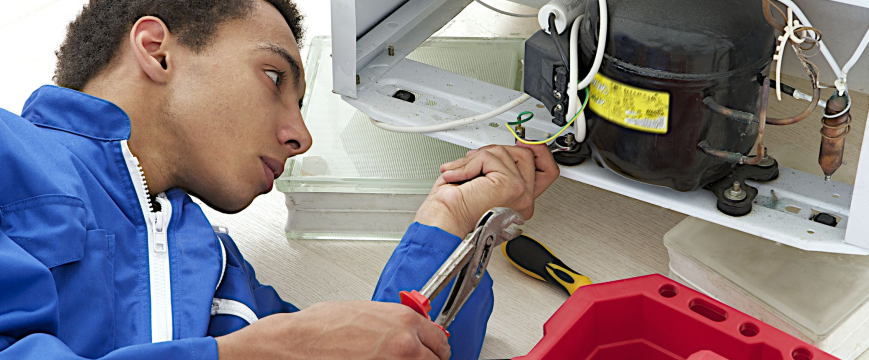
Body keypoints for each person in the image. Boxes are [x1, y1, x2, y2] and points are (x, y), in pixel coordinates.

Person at [0, 0, 560, 359]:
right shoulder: (12, 154)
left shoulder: (227, 282)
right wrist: (267, 349)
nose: (302, 137)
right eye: (273, 77)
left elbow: (401, 348)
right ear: (157, 51)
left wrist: (453, 222)